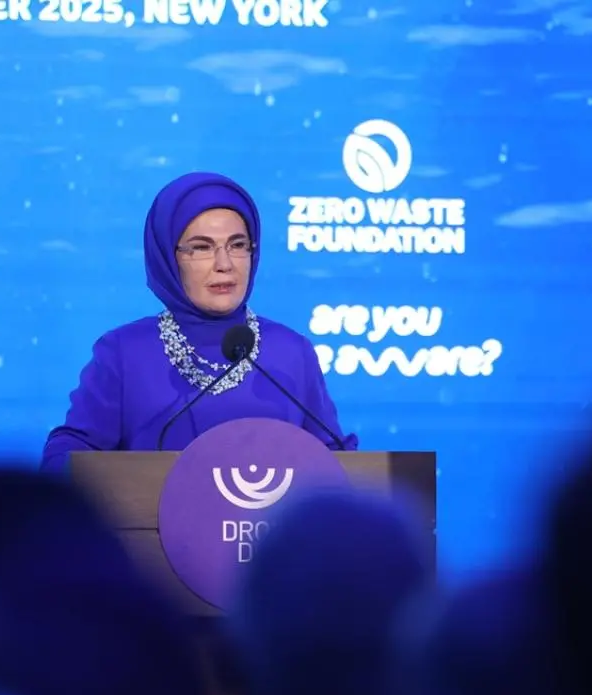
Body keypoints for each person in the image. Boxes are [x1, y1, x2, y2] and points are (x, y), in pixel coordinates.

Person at [40, 171, 356, 472]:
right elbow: (66, 458)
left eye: (237, 245)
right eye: (202, 248)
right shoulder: (124, 353)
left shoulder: (292, 352)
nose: (224, 264)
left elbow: (337, 462)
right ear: (167, 257)